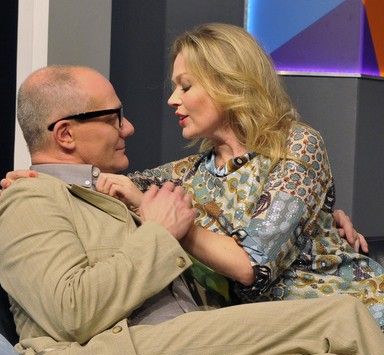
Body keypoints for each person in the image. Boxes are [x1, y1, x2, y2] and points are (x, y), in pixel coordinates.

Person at [0, 64, 384, 355]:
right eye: (114, 117)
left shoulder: (117, 193)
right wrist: (159, 234)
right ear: (65, 134)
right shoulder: (28, 200)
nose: (128, 128)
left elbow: (245, 217)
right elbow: (71, 310)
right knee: (340, 316)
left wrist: (324, 223)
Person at [91, 23, 384, 327]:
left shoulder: (297, 145)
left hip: (353, 314)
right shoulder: (188, 173)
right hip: (274, 332)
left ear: (229, 84)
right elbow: (104, 185)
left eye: (186, 86)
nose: (172, 99)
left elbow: (252, 266)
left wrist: (171, 221)